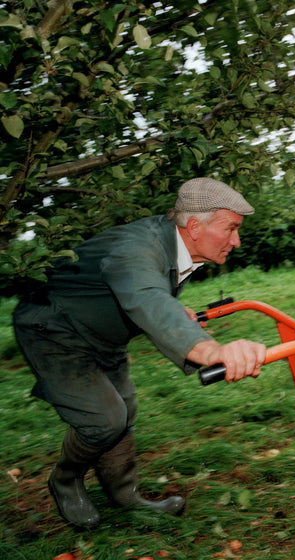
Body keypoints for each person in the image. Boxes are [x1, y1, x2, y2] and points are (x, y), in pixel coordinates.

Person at [12, 177, 267, 530]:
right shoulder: (134, 248)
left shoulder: (177, 244)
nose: (236, 241)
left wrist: (179, 314)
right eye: (231, 229)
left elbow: (152, 296)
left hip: (102, 333)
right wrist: (213, 350)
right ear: (195, 226)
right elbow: (145, 296)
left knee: (125, 410)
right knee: (104, 419)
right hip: (53, 330)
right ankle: (66, 478)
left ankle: (124, 495)